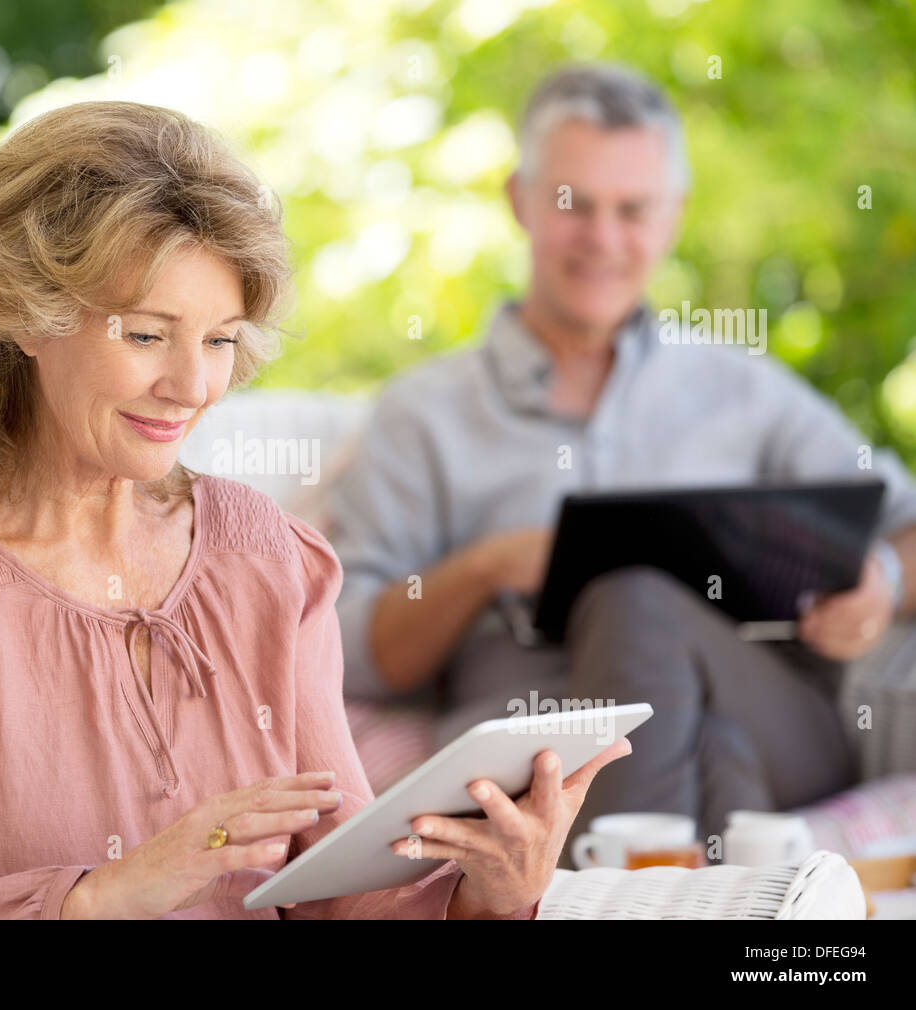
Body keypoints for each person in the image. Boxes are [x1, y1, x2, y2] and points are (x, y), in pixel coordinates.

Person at [0, 99, 630, 919]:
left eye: (219, 340)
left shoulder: (268, 557)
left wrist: (488, 893)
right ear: (24, 318)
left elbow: (344, 894)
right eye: (146, 334)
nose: (192, 388)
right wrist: (100, 897)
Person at [326, 64, 916, 866]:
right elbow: (353, 649)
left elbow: (904, 521)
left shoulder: (743, 388)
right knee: (710, 756)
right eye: (576, 205)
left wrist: (879, 572)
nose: (604, 239)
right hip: (536, 755)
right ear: (520, 200)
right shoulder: (422, 414)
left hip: (776, 721)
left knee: (639, 598)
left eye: (633, 210)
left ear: (672, 216)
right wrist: (489, 566)